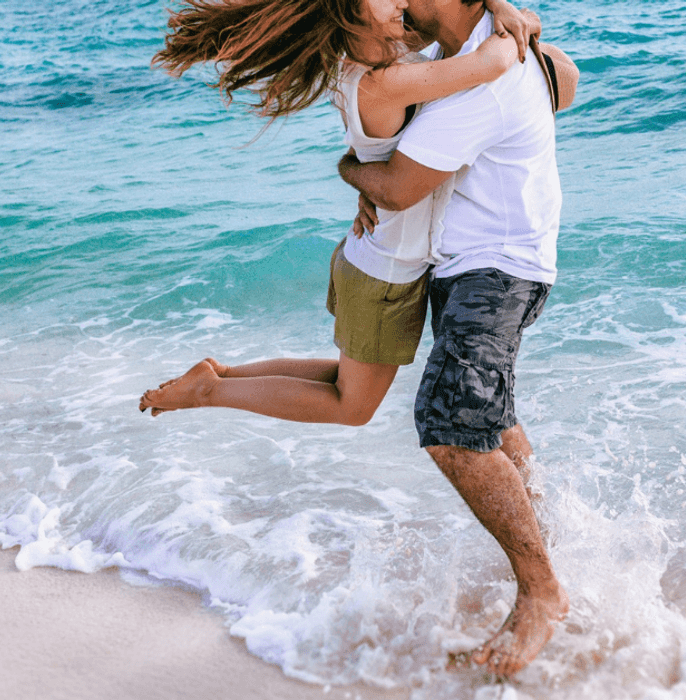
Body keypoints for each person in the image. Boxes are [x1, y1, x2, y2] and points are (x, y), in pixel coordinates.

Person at [139, 0, 537, 426]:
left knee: (346, 379)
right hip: (388, 269)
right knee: (352, 406)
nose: (402, 1)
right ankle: (210, 391)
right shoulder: (382, 81)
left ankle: (219, 377)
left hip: (373, 254)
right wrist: (517, 16)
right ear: (351, 9)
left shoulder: (379, 55)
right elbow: (493, 61)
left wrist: (493, 4)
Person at [335, 0, 579, 678]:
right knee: (490, 420)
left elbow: (401, 188)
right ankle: (551, 548)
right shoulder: (468, 54)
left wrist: (349, 171)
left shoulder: (478, 78)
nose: (395, 5)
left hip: (495, 269)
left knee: (449, 424)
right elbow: (569, 82)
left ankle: (541, 592)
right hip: (477, 262)